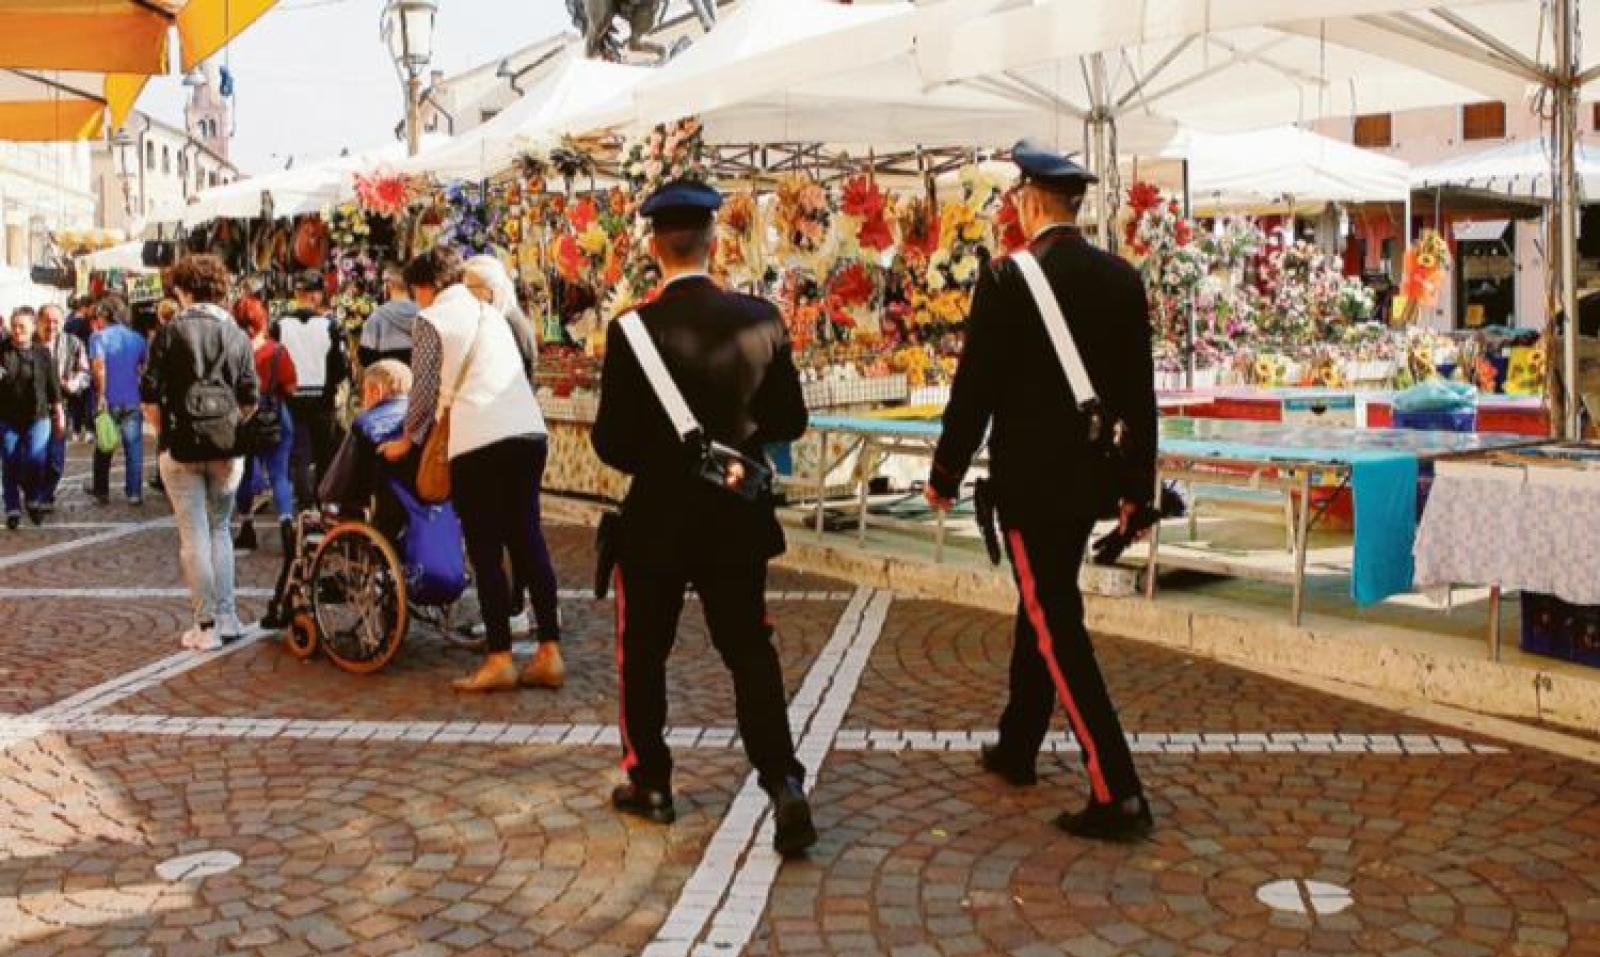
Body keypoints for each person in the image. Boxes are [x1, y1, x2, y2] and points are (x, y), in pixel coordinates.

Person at [925, 140, 1159, 842]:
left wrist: (943, 474)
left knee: (1057, 624)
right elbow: (1139, 397)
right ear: (1074, 207)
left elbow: (975, 391)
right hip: (1088, 476)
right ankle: (1019, 743)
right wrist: (1136, 490)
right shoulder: (1121, 278)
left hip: (1030, 480)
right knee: (1043, 602)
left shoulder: (1005, 280)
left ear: (1028, 203)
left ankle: (1116, 787)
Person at [591, 180, 815, 857]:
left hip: (657, 519)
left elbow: (611, 442)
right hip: (735, 515)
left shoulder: (631, 329)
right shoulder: (761, 319)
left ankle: (651, 781)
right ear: (715, 243)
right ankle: (783, 782)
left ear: (655, 246)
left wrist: (666, 454)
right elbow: (790, 420)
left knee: (644, 654)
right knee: (749, 649)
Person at [379, 248, 565, 692]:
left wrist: (407, 439)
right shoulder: (490, 312)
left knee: (485, 550)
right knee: (527, 538)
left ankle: (499, 656)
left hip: (479, 438)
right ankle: (549, 652)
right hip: (527, 433)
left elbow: (422, 392)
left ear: (425, 287)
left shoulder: (432, 321)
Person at [141, 255, 259, 651]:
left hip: (181, 444)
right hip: (227, 446)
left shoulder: (170, 332)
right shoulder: (237, 335)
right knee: (220, 529)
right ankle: (227, 616)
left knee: (193, 535)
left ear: (182, 289)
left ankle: (204, 624)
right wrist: (226, 424)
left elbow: (149, 396)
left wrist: (166, 431)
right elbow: (250, 398)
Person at [460, 254, 559, 645]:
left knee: (513, 535)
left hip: (504, 434)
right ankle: (527, 610)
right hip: (520, 433)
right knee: (520, 533)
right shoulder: (509, 320)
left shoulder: (505, 323)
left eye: (472, 289)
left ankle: (517, 611)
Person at [276, 271, 348, 507]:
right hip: (322, 398)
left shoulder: (281, 324)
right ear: (318, 295)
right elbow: (340, 367)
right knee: (324, 454)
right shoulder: (330, 327)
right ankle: (321, 503)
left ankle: (304, 504)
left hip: (291, 397)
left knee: (299, 454)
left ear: (297, 294)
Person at [231, 295, 297, 555]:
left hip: (242, 418)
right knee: (279, 475)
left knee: (244, 475)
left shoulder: (233, 352)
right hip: (275, 414)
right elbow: (292, 387)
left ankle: (247, 528)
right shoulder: (276, 351)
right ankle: (286, 527)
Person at [319, 359, 412, 535]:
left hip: (377, 509)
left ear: (376, 391)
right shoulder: (417, 419)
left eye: (364, 392)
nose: (363, 400)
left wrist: (324, 494)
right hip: (413, 503)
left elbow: (337, 481)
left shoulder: (365, 423)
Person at [0, 307, 64, 529]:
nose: (17, 331)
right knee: (9, 458)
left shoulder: (42, 353)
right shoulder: (2, 350)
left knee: (36, 459)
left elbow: (53, 386)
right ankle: (12, 506)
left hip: (39, 416)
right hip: (8, 416)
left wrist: (60, 414)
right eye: (14, 326)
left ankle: (33, 498)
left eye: (22, 327)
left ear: (33, 327)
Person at [88, 295, 149, 507]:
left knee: (105, 444)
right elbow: (144, 368)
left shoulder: (98, 338)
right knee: (134, 447)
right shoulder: (137, 338)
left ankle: (101, 490)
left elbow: (99, 366)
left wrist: (101, 394)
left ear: (105, 315)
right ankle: (134, 492)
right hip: (132, 398)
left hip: (110, 398)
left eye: (99, 315)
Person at [36, 304, 89, 511]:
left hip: (62, 406)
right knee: (34, 455)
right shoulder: (29, 344)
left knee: (56, 458)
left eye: (56, 321)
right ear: (39, 321)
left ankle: (46, 493)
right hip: (33, 409)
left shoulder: (73, 343)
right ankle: (37, 495)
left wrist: (73, 384)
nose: (51, 325)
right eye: (47, 321)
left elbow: (85, 373)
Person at [358, 263, 419, 368]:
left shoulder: (378, 316)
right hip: (417, 376)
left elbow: (365, 356)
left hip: (388, 377)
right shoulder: (423, 314)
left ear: (388, 285)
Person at [63, 298, 96, 441]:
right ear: (84, 307)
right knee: (89, 398)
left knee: (74, 399)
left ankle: (75, 431)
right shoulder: (87, 324)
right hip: (87, 364)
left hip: (71, 366)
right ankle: (89, 430)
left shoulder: (67, 323)